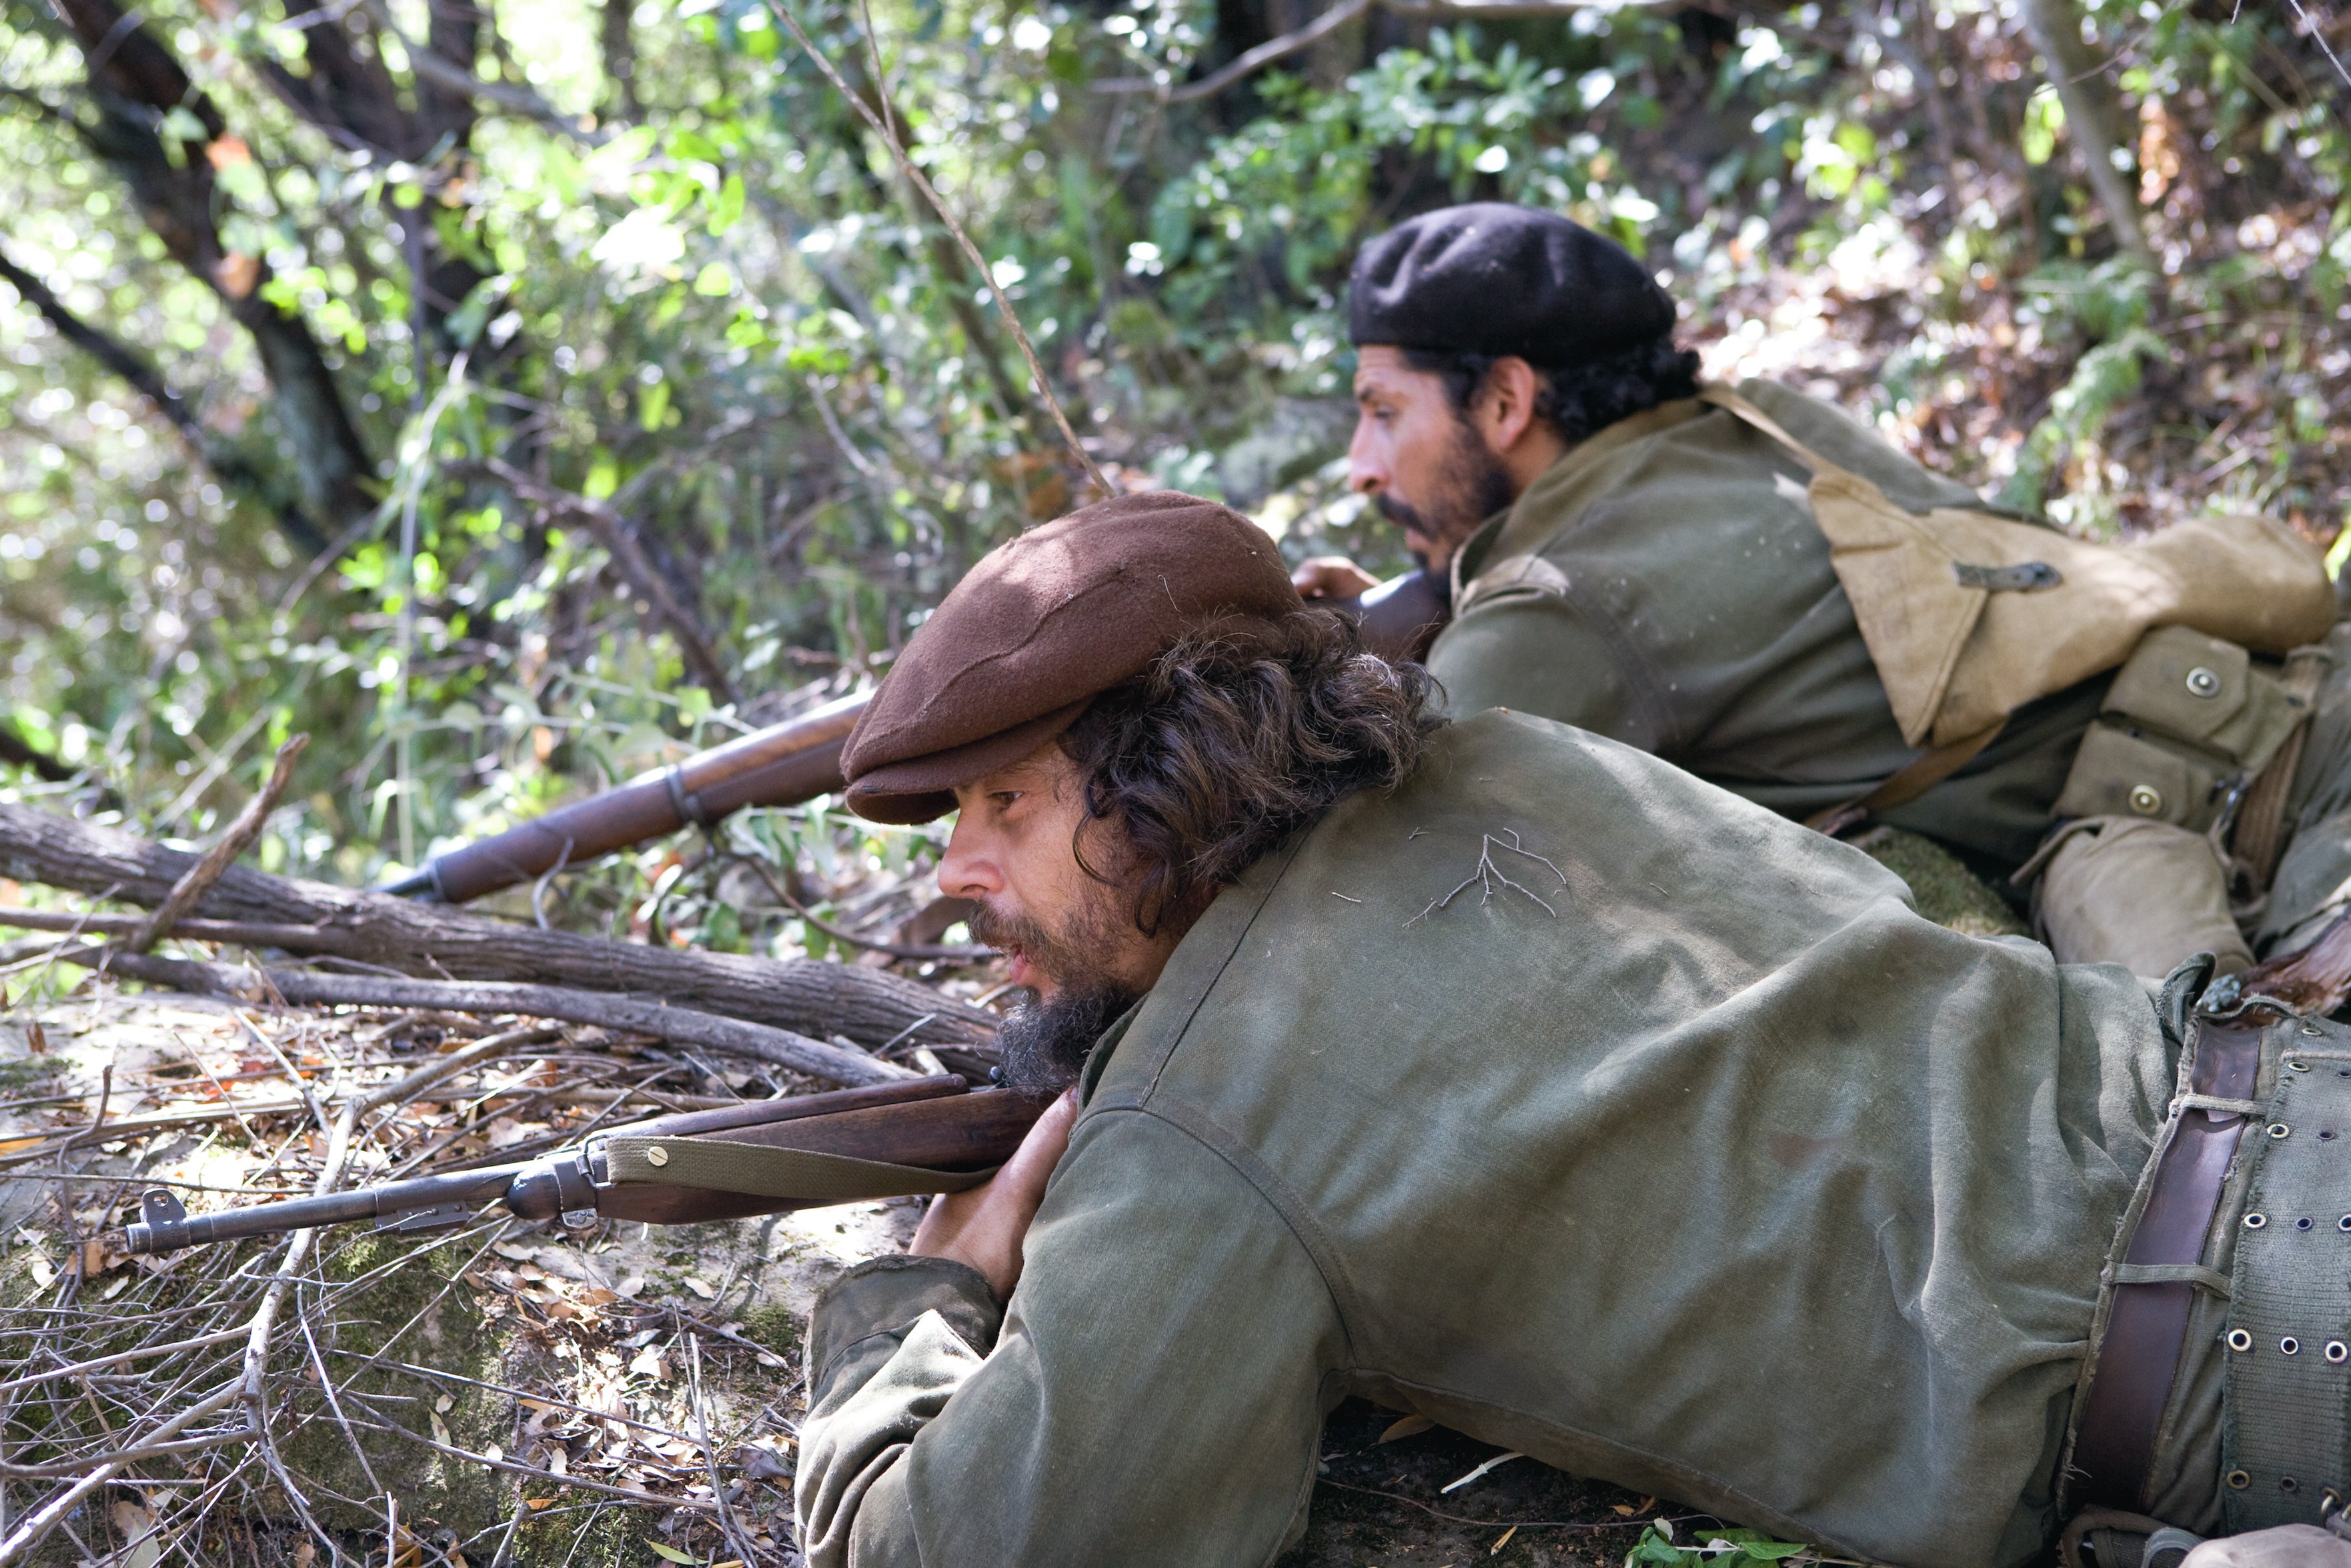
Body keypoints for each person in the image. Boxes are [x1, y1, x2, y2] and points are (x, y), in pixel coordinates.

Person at [792, 490, 2350, 1568]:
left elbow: (987, 1548)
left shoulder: (1205, 1139)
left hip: (2272, 1379)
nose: (954, 873)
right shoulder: (1503, 753)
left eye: (1005, 803)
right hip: (2292, 1094)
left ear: (1168, 771)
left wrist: (909, 1306)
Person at [1297, 201, 2348, 984]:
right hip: (2295, 692)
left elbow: (1384, 872)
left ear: (1505, 399)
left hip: (2284, 815)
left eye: (1382, 410)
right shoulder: (1747, 421)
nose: (1359, 463)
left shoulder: (1559, 608)